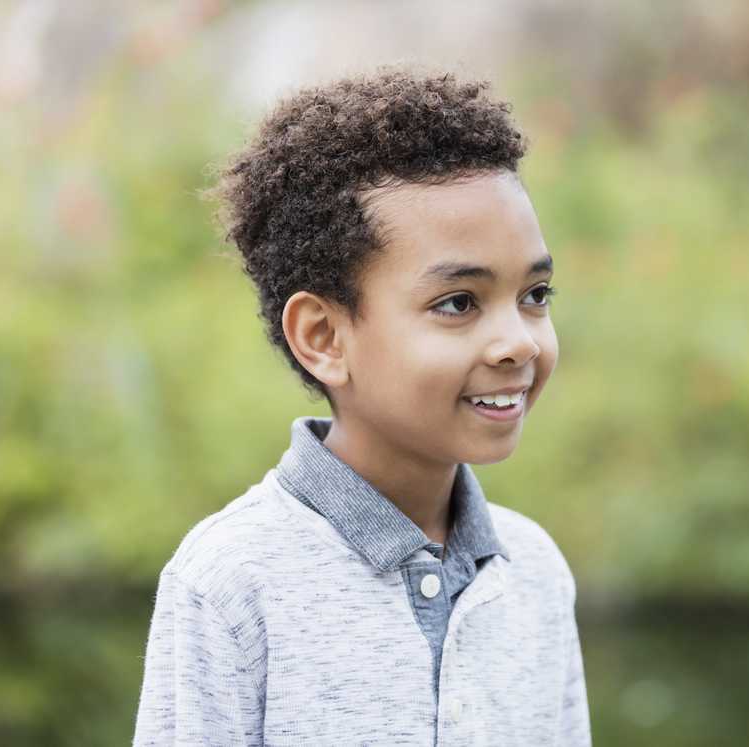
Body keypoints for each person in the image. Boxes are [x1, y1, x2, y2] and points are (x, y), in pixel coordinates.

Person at [132, 66, 591, 746]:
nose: (518, 342)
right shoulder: (230, 584)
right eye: (459, 303)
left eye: (536, 294)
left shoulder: (536, 571)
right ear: (323, 337)